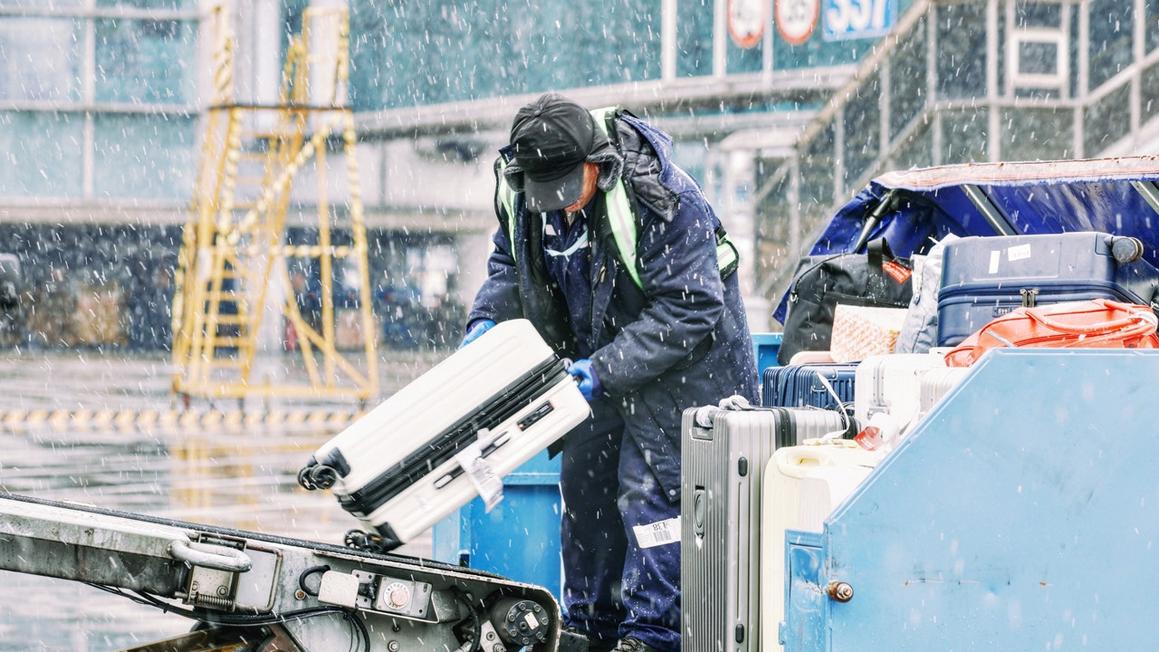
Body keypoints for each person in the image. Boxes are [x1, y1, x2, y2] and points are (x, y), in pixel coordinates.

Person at [461, 93, 757, 652]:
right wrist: (487, 320)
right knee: (584, 490)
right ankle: (589, 628)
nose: (561, 208)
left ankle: (652, 635)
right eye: (546, 195)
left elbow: (692, 305)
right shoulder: (522, 197)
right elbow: (509, 267)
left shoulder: (661, 196)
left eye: (568, 190)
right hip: (600, 363)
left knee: (649, 494)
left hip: (685, 367)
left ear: (597, 164)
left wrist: (604, 368)